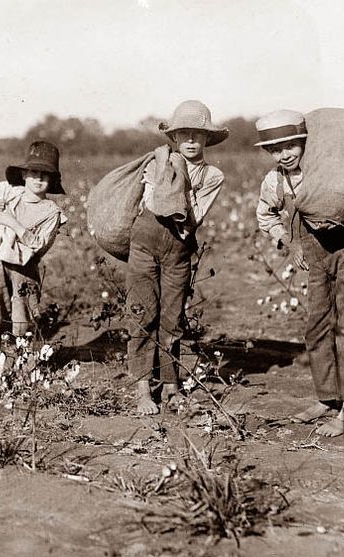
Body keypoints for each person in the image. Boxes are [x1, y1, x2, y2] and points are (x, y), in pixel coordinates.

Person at [254, 109, 344, 437]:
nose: (285, 154)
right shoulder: (275, 181)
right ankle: (328, 398)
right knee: (317, 328)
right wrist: (289, 242)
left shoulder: (328, 169)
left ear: (305, 143)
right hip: (315, 260)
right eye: (276, 149)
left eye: (291, 146)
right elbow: (266, 215)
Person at [127, 100, 228, 415]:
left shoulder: (212, 175)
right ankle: (143, 387)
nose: (191, 140)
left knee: (171, 318)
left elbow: (194, 216)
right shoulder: (156, 162)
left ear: (207, 138)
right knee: (143, 313)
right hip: (145, 242)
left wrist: (176, 190)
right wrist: (176, 191)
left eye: (198, 134)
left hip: (179, 249)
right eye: (184, 134)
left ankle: (171, 385)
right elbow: (152, 204)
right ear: (174, 137)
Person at [0, 141, 67, 360]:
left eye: (45, 175)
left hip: (25, 269)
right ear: (24, 175)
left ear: (52, 180)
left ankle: (23, 365)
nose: (38, 179)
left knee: (22, 320)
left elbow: (39, 245)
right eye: (34, 173)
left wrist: (14, 224)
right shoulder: (11, 199)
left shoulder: (51, 212)